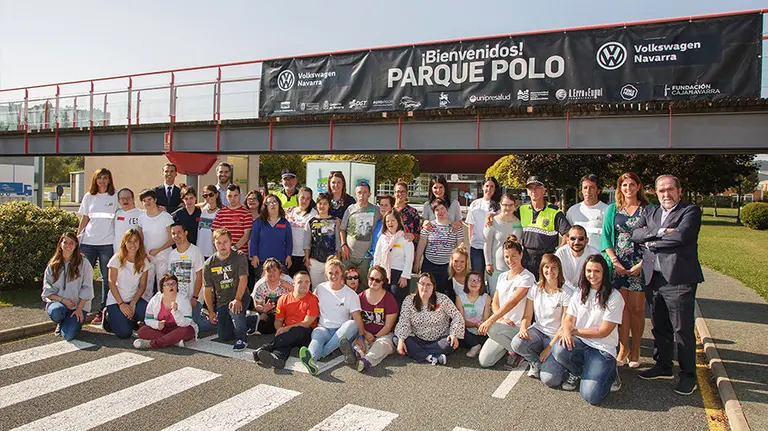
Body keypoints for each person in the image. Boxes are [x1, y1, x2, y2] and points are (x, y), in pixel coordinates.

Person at [632, 174, 704, 396]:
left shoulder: (690, 211)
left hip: (679, 279)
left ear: (679, 191)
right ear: (655, 192)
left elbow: (681, 237)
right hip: (654, 279)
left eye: (670, 189)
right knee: (659, 325)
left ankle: (688, 375)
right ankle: (663, 365)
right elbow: (636, 233)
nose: (666, 194)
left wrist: (651, 241)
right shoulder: (650, 212)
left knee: (682, 329)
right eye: (661, 190)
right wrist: (661, 232)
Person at [551, 254, 624, 404]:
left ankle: (610, 372)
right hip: (581, 342)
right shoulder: (579, 293)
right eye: (589, 271)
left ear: (604, 273)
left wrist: (573, 332)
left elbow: (603, 331)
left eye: (597, 271)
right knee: (559, 348)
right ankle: (578, 371)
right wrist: (567, 332)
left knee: (591, 396)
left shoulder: (614, 297)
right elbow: (568, 319)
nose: (592, 275)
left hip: (602, 349)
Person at [601, 172, 651, 368]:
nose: (628, 188)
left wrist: (642, 264)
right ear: (619, 188)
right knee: (621, 309)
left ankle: (636, 349)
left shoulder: (648, 209)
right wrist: (614, 262)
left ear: (638, 186)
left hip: (639, 265)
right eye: (624, 185)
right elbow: (606, 237)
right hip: (618, 266)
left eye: (631, 184)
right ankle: (623, 348)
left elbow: (654, 238)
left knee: (637, 309)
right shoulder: (613, 209)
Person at [511, 254, 571, 384]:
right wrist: (523, 328)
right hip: (538, 332)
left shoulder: (566, 293)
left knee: (550, 380)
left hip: (556, 337)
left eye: (554, 267)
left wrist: (549, 348)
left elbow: (565, 325)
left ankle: (561, 365)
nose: (550, 271)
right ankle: (535, 362)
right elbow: (527, 316)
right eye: (546, 267)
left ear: (559, 270)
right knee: (517, 343)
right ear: (541, 269)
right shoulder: (535, 288)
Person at [299, 258, 365, 375]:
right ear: (326, 274)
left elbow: (357, 318)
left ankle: (321, 353)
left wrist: (361, 337)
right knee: (317, 335)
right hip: (323, 328)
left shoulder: (351, 294)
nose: (333, 276)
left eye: (337, 272)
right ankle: (311, 360)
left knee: (352, 324)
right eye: (330, 273)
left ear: (342, 273)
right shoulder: (320, 288)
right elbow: (310, 305)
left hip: (342, 331)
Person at [477, 235, 534, 368]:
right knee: (485, 361)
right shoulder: (502, 276)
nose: (510, 260)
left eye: (514, 256)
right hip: (502, 326)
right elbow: (495, 303)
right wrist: (502, 319)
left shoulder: (527, 277)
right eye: (507, 256)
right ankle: (510, 348)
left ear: (521, 255)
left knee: (491, 327)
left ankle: (519, 353)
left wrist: (490, 320)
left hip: (517, 327)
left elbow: (513, 302)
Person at [338, 265, 399, 372]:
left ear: (383, 282)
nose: (373, 282)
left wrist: (375, 337)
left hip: (384, 335)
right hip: (366, 333)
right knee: (360, 343)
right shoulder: (359, 297)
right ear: (368, 278)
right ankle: (355, 353)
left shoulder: (389, 299)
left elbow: (388, 326)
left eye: (377, 280)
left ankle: (366, 361)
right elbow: (357, 320)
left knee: (381, 345)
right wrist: (365, 334)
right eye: (371, 278)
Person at [394, 272, 465, 365]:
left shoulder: (443, 299)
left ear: (433, 286)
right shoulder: (409, 300)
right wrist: (401, 340)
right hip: (417, 338)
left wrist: (453, 334)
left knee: (450, 343)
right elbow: (404, 320)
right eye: (422, 284)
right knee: (397, 339)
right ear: (417, 284)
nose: (425, 287)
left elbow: (457, 316)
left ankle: (419, 354)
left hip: (439, 339)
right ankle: (431, 357)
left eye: (428, 285)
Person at [253, 271, 319, 370]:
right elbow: (278, 321)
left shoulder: (313, 299)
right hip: (288, 333)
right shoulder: (284, 299)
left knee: (296, 330)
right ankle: (278, 359)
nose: (304, 285)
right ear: (293, 283)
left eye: (307, 282)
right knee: (285, 340)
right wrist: (280, 330)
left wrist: (285, 329)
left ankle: (267, 347)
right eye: (300, 282)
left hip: (305, 333)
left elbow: (306, 323)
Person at [77, 167, 117, 324]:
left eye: (105, 178)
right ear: (95, 180)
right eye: (99, 178)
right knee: (83, 277)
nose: (102, 181)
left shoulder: (115, 196)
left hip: (107, 244)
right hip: (88, 243)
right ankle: (80, 309)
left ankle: (102, 310)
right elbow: (85, 218)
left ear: (109, 180)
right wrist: (78, 238)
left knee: (106, 278)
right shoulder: (89, 197)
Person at [203, 228, 251, 351]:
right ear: (214, 244)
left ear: (231, 242)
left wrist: (237, 299)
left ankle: (242, 338)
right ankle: (250, 320)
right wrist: (211, 311)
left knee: (235, 309)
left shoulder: (239, 256)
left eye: (225, 242)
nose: (222, 245)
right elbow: (207, 289)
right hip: (222, 301)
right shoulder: (209, 264)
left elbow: (243, 279)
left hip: (240, 296)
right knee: (224, 336)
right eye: (219, 243)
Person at [42, 233, 94, 340]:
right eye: (65, 242)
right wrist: (63, 300)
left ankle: (73, 323)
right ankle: (61, 321)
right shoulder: (53, 265)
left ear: (76, 245)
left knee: (68, 336)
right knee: (56, 311)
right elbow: (47, 291)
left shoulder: (84, 263)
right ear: (60, 244)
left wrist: (79, 308)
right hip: (59, 304)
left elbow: (87, 288)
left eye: (71, 243)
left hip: (78, 306)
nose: (68, 245)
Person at [515, 176, 571, 278]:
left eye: (537, 187)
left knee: (545, 286)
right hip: (526, 257)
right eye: (530, 188)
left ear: (544, 190)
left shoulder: (554, 211)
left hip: (546, 259)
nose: (534, 191)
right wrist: (492, 216)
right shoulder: (521, 209)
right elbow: (506, 217)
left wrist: (558, 253)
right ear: (527, 191)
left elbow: (567, 233)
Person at [414, 198, 464, 302]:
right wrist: (417, 261)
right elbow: (421, 245)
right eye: (437, 210)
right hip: (430, 264)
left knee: (447, 295)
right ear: (433, 212)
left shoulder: (456, 227)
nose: (440, 212)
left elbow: (461, 247)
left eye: (442, 209)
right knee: (428, 294)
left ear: (447, 209)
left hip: (447, 266)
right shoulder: (428, 227)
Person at [105, 229, 150, 339]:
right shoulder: (116, 259)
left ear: (140, 243)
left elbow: (142, 286)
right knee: (125, 333)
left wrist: (133, 303)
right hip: (116, 301)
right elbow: (111, 283)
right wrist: (121, 304)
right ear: (124, 243)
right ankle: (108, 317)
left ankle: (130, 318)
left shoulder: (144, 261)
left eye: (135, 241)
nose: (133, 244)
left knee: (150, 316)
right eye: (129, 241)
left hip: (133, 300)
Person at [134, 273, 197, 349]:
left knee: (188, 330)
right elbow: (148, 319)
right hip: (162, 329)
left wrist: (176, 312)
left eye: (173, 283)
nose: (171, 286)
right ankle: (174, 341)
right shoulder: (155, 299)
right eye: (167, 284)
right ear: (162, 288)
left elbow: (187, 322)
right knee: (142, 331)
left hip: (177, 328)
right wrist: (157, 324)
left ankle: (152, 344)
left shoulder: (183, 299)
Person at [166, 223, 209, 331]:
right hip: (179, 299)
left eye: (179, 232)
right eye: (173, 233)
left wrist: (195, 297)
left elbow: (200, 277)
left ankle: (215, 321)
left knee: (193, 325)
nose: (176, 236)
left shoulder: (195, 251)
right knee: (177, 324)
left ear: (185, 233)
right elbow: (170, 278)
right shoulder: (172, 255)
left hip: (193, 298)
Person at [339, 182, 380, 291]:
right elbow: (342, 229)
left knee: (364, 286)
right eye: (359, 192)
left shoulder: (376, 210)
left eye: (365, 192)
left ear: (369, 194)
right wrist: (343, 245)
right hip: (349, 256)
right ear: (355, 194)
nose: (362, 195)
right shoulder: (350, 209)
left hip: (366, 257)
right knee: (346, 285)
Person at [372, 209, 414, 309]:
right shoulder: (382, 238)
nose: (390, 223)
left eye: (393, 220)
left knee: (396, 301)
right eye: (387, 221)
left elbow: (409, 259)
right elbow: (377, 255)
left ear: (398, 221)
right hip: (384, 273)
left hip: (399, 274)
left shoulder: (405, 239)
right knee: (383, 300)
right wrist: (376, 272)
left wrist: (405, 276)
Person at [484, 192, 523, 295]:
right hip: (496, 269)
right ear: (500, 205)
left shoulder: (519, 223)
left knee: (510, 298)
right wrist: (488, 263)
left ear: (515, 206)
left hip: (514, 268)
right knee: (495, 297)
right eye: (505, 205)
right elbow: (487, 244)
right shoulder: (492, 221)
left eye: (511, 205)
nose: (508, 208)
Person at [138, 188, 175, 298]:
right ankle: (147, 307)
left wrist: (157, 250)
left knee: (162, 283)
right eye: (144, 201)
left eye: (149, 199)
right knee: (147, 285)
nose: (147, 202)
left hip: (163, 256)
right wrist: (144, 253)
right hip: (147, 257)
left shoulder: (165, 217)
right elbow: (140, 238)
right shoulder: (141, 218)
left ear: (155, 200)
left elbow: (172, 239)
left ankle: (163, 306)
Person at [249, 194, 292, 278]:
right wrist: (254, 256)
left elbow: (289, 241)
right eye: (269, 202)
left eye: (275, 202)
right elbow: (254, 240)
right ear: (266, 206)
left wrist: (288, 256)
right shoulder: (259, 222)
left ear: (279, 204)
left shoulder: (285, 223)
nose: (272, 204)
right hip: (262, 261)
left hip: (280, 261)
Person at [304, 193, 340, 290]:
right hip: (315, 261)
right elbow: (307, 242)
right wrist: (307, 258)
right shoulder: (311, 222)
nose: (322, 206)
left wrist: (338, 258)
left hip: (331, 260)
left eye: (325, 203)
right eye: (320, 203)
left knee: (331, 288)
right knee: (316, 289)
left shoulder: (335, 221)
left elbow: (338, 242)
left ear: (329, 205)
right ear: (316, 205)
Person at [466, 177, 501, 271]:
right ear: (482, 187)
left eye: (492, 187)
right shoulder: (475, 204)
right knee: (477, 275)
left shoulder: (499, 206)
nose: (489, 189)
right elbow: (470, 225)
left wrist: (493, 215)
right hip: (477, 247)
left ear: (495, 189)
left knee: (492, 276)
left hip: (493, 247)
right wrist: (471, 242)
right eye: (487, 186)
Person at [250, 258, 293, 335]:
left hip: (287, 311)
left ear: (280, 271)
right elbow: (257, 305)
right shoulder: (260, 285)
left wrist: (289, 287)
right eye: (268, 271)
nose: (272, 273)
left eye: (274, 270)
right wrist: (263, 309)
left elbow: (300, 295)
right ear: (264, 272)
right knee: (263, 327)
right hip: (270, 312)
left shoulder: (288, 280)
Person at [455, 270, 491, 358]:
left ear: (482, 284)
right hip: (467, 331)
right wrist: (474, 324)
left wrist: (480, 325)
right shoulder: (460, 298)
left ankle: (478, 345)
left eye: (477, 281)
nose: (474, 283)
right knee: (458, 327)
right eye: (471, 280)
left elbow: (485, 319)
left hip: (481, 330)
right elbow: (461, 320)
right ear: (466, 283)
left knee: (490, 332)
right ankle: (475, 345)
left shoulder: (486, 298)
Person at [566, 174, 609, 247]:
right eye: (585, 188)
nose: (588, 191)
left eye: (592, 188)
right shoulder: (573, 210)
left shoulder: (607, 210)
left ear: (598, 191)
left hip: (599, 254)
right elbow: (567, 236)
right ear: (582, 191)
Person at [212, 184, 253, 253]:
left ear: (240, 196)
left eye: (235, 195)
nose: (232, 199)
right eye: (230, 196)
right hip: (224, 253)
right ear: (226, 197)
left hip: (240, 254)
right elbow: (215, 233)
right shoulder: (220, 213)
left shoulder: (246, 213)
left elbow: (247, 235)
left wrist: (234, 248)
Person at [286, 187, 317, 276]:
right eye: (302, 197)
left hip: (305, 255)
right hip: (290, 254)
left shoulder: (314, 214)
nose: (304, 201)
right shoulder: (290, 211)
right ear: (297, 197)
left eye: (308, 198)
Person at [114, 188, 143, 256]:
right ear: (118, 201)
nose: (125, 200)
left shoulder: (142, 214)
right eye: (122, 198)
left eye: (128, 198)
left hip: (135, 253)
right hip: (118, 253)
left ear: (133, 199)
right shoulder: (116, 213)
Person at [393, 181, 421, 245]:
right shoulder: (389, 211)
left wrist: (413, 236)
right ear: (394, 193)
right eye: (398, 191)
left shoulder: (412, 212)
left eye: (403, 191)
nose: (400, 194)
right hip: (391, 247)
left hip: (408, 247)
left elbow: (418, 233)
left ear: (406, 193)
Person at [197, 184, 222, 259]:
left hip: (213, 251)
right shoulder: (202, 209)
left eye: (211, 195)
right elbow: (190, 206)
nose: (208, 197)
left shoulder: (220, 212)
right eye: (205, 196)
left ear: (216, 194)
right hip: (199, 250)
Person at [366, 195, 394, 260]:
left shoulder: (394, 224)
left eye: (386, 205)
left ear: (392, 207)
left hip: (387, 259)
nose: (383, 207)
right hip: (374, 258)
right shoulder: (378, 222)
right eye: (381, 205)